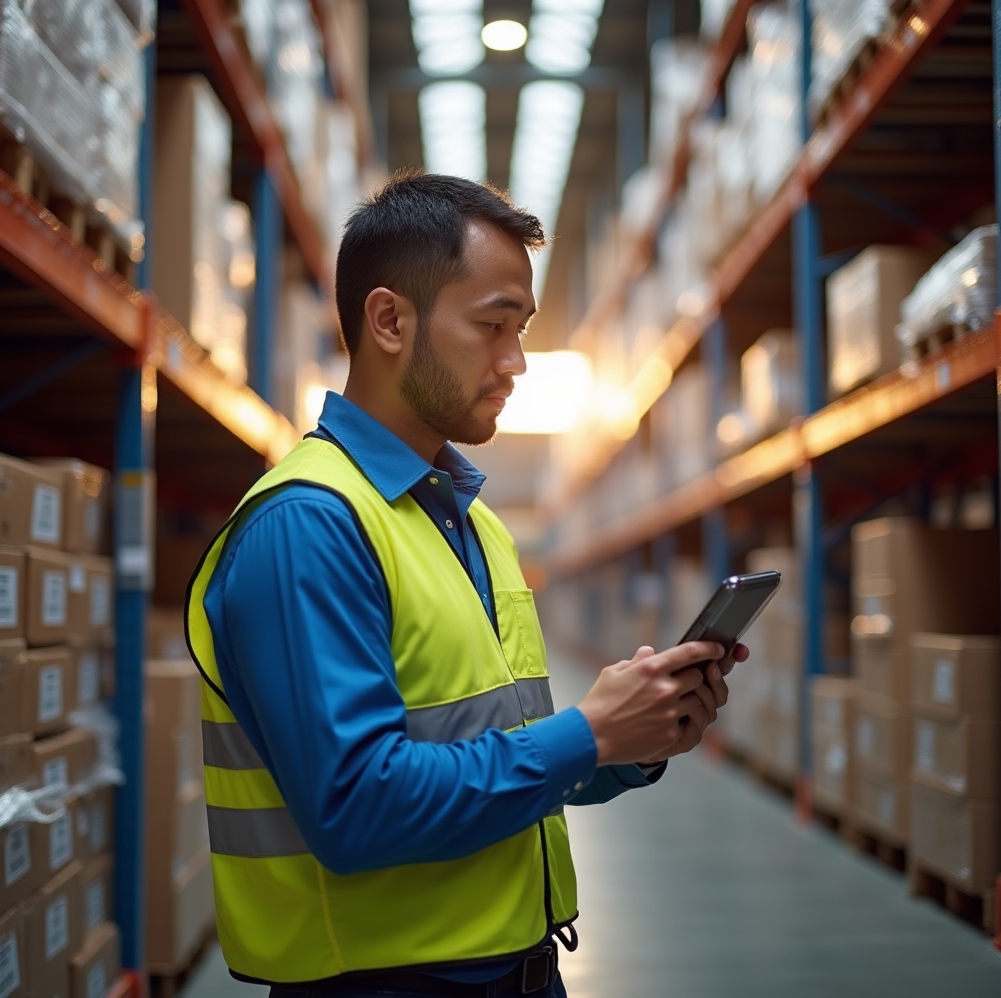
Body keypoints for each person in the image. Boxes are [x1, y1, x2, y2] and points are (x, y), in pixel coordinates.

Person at [185, 173, 748, 998]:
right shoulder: (307, 526)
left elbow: (493, 760)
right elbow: (354, 809)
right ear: (389, 321)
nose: (515, 363)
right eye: (492, 326)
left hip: (523, 972)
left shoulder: (473, 523)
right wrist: (585, 733)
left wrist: (631, 741)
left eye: (522, 331)